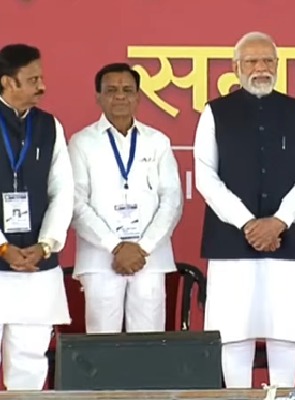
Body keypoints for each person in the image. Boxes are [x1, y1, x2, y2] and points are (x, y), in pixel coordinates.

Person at [194, 31, 295, 388]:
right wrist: (248, 223)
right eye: (251, 61)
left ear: (278, 66)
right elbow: (205, 176)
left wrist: (280, 221)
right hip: (231, 241)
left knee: (286, 334)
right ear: (236, 67)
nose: (260, 68)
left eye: (268, 61)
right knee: (234, 334)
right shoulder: (214, 112)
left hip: (289, 240)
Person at [69, 63, 183, 334]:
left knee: (149, 343)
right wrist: (115, 247)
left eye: (127, 90)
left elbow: (172, 201)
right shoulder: (81, 142)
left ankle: (147, 380)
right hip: (100, 257)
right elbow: (75, 203)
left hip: (150, 257)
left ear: (138, 96)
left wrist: (142, 247)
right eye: (111, 90)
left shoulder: (158, 141)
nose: (120, 96)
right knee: (102, 343)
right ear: (98, 96)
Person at [0, 44, 73, 390]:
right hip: (3, 258)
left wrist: (46, 245)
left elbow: (63, 191)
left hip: (36, 265)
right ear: (7, 83)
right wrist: (3, 248)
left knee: (31, 361)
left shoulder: (49, 125)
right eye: (32, 79)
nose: (42, 86)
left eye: (41, 78)